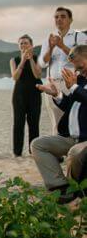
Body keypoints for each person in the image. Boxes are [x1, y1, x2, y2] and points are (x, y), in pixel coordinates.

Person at [32, 44, 87, 204]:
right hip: (72, 137)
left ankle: (78, 191)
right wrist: (57, 94)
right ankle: (60, 188)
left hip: (85, 141)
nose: (78, 71)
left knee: (76, 153)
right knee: (38, 144)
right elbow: (72, 104)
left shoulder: (78, 84)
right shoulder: (82, 81)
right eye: (76, 68)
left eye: (81, 65)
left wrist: (75, 87)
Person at [38, 7, 87, 134]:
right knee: (56, 122)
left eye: (63, 16)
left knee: (75, 117)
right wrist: (51, 47)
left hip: (73, 82)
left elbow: (80, 57)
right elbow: (43, 64)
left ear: (70, 20)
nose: (59, 19)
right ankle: (57, 150)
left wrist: (62, 46)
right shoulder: (48, 40)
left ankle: (74, 148)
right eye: (56, 17)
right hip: (53, 84)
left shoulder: (80, 37)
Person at [9, 35, 42, 156]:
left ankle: (33, 152)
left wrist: (31, 59)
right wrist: (23, 60)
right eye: (21, 43)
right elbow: (15, 77)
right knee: (18, 124)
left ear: (31, 45)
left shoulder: (37, 58)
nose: (23, 45)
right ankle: (17, 153)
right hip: (19, 96)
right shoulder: (14, 60)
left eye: (26, 43)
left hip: (34, 95)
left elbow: (37, 75)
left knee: (34, 124)